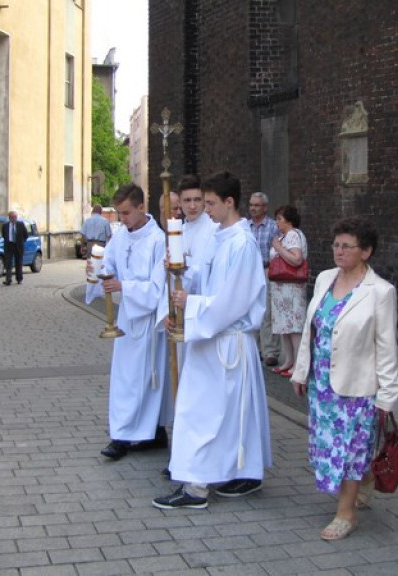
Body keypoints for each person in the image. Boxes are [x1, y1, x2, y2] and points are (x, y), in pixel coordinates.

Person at [153, 171, 272, 509]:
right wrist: (180, 272)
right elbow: (202, 278)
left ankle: (196, 488)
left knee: (203, 414)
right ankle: (233, 472)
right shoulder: (221, 237)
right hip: (211, 340)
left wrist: (191, 304)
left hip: (226, 342)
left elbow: (232, 301)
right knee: (218, 414)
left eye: (210, 203)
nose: (204, 210)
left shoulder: (242, 244)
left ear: (229, 202)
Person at [290, 217, 398, 541]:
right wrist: (301, 370)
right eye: (336, 245)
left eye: (347, 246)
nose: (339, 251)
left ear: (365, 251)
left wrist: (387, 397)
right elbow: (312, 330)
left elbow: (386, 348)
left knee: (349, 452)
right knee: (326, 449)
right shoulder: (325, 278)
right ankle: (364, 481)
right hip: (322, 385)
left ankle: (346, 513)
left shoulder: (380, 292)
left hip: (357, 388)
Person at [85, 184, 169, 461]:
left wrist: (125, 286)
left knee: (146, 380)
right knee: (125, 380)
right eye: (119, 214)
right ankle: (122, 434)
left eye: (126, 213)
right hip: (125, 321)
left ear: (141, 208)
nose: (122, 219)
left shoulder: (158, 240)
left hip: (147, 323)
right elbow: (108, 265)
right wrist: (96, 271)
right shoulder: (120, 237)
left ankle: (149, 432)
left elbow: (158, 288)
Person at [268, 205, 308, 377]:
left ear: (289, 220)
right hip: (281, 289)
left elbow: (296, 259)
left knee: (293, 327)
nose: (277, 222)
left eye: (279, 219)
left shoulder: (292, 235)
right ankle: (289, 360)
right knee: (285, 327)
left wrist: (277, 247)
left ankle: (298, 364)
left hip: (290, 289)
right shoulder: (285, 236)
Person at [248, 192, 281, 367]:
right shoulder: (245, 227)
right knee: (250, 309)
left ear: (265, 207)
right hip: (249, 274)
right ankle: (253, 348)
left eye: (257, 205)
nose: (253, 208)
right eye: (251, 205)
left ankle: (270, 351)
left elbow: (277, 250)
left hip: (266, 270)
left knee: (267, 312)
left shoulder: (273, 227)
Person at [1, 211, 28, 286]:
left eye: (15, 217)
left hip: (18, 246)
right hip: (9, 246)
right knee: (8, 263)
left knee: (18, 263)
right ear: (9, 218)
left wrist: (20, 242)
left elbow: (26, 235)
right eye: (12, 217)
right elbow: (4, 235)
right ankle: (8, 280)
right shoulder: (5, 226)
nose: (14, 219)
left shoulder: (21, 224)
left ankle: (19, 279)